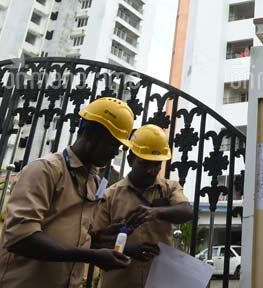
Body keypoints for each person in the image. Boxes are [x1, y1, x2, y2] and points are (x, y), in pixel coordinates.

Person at [0, 97, 135, 287]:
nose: (115, 152)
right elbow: (20, 237)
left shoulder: (93, 181)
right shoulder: (45, 171)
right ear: (92, 134)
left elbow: (71, 237)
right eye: (113, 144)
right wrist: (90, 256)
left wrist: (98, 239)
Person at [92, 124, 193, 288]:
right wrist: (127, 250)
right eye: (146, 164)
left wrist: (156, 212)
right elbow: (95, 242)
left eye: (157, 164)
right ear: (131, 160)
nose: (152, 170)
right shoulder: (110, 196)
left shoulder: (169, 188)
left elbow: (186, 212)